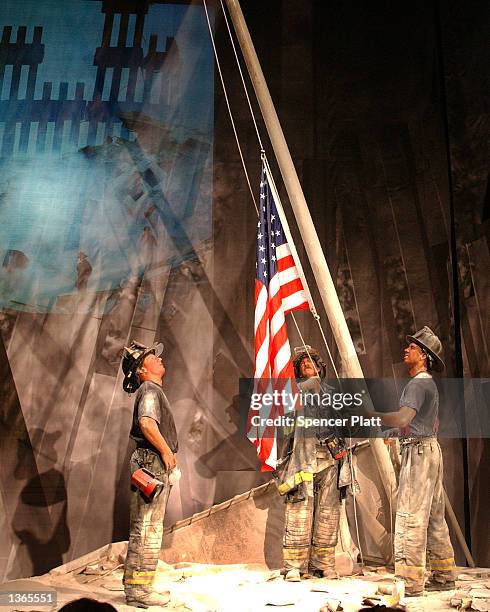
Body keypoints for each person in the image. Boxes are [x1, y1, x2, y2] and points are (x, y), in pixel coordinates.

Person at [368, 327, 456, 596]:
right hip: (429, 450)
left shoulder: (418, 383)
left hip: (418, 456)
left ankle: (410, 582)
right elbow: (419, 423)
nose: (406, 350)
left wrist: (373, 414)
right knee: (434, 518)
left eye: (414, 348)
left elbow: (404, 418)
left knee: (410, 517)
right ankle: (443, 576)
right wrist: (393, 433)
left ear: (425, 356)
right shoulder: (426, 383)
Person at [277, 346, 347, 581]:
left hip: (330, 461)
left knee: (328, 515)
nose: (306, 364)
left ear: (319, 367)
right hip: (302, 460)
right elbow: (285, 426)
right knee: (299, 512)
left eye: (310, 361)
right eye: (302, 363)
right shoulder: (294, 394)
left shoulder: (333, 394)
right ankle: (294, 566)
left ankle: (324, 564)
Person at [121, 340, 178, 608]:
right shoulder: (150, 389)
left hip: (152, 462)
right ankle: (138, 591)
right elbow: (146, 423)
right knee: (146, 529)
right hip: (151, 461)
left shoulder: (151, 389)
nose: (158, 359)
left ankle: (141, 587)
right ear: (142, 370)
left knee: (150, 528)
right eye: (151, 357)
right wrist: (166, 451)